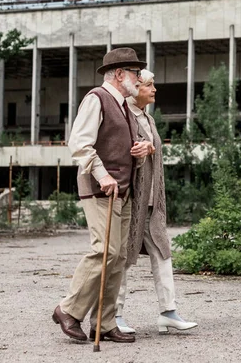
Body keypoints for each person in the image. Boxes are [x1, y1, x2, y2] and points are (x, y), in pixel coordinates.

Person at [52, 48, 154, 343]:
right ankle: (68, 310)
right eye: (135, 73)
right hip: (100, 187)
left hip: (122, 189)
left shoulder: (124, 105)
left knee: (118, 257)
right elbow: (80, 143)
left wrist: (141, 151)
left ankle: (104, 322)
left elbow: (126, 145)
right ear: (120, 74)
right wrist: (103, 175)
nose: (139, 78)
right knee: (104, 250)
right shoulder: (97, 98)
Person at [115, 69, 198, 335]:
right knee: (124, 257)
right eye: (150, 85)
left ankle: (168, 312)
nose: (154, 90)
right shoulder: (123, 115)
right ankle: (113, 315)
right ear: (136, 87)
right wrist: (142, 149)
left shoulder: (148, 118)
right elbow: (121, 151)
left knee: (163, 252)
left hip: (152, 201)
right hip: (131, 200)